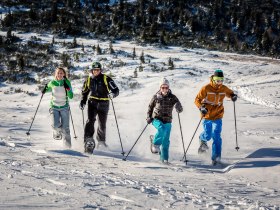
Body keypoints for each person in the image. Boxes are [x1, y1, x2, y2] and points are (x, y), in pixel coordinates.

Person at [194, 69, 237, 165]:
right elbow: (197, 99)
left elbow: (230, 93)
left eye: (221, 80)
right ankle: (202, 139)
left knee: (216, 135)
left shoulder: (223, 88)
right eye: (218, 80)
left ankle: (216, 158)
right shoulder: (206, 88)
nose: (219, 83)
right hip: (207, 115)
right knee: (208, 135)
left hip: (218, 115)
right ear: (213, 79)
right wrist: (201, 107)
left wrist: (233, 96)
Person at [80, 61, 119, 153]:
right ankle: (88, 140)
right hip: (92, 102)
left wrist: (112, 94)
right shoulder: (89, 80)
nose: (96, 71)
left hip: (104, 103)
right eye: (94, 70)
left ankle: (101, 141)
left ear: (100, 70)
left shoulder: (106, 79)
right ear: (92, 70)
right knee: (90, 120)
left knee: (102, 124)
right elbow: (85, 92)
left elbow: (116, 90)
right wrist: (83, 101)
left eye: (97, 70)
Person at [147, 77, 183, 164]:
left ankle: (164, 159)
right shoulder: (156, 97)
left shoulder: (173, 97)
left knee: (166, 140)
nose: (164, 89)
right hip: (156, 118)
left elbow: (180, 109)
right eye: (162, 87)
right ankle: (155, 144)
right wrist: (148, 117)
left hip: (168, 120)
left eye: (166, 87)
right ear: (160, 88)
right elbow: (150, 107)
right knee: (161, 129)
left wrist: (178, 107)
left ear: (168, 88)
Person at [42, 67, 74, 148]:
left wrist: (68, 89)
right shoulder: (52, 82)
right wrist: (44, 89)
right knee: (55, 125)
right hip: (54, 107)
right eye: (58, 73)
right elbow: (47, 89)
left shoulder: (66, 82)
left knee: (66, 128)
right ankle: (57, 132)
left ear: (64, 74)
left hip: (64, 107)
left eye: (61, 73)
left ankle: (67, 147)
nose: (59, 74)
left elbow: (71, 96)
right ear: (55, 74)